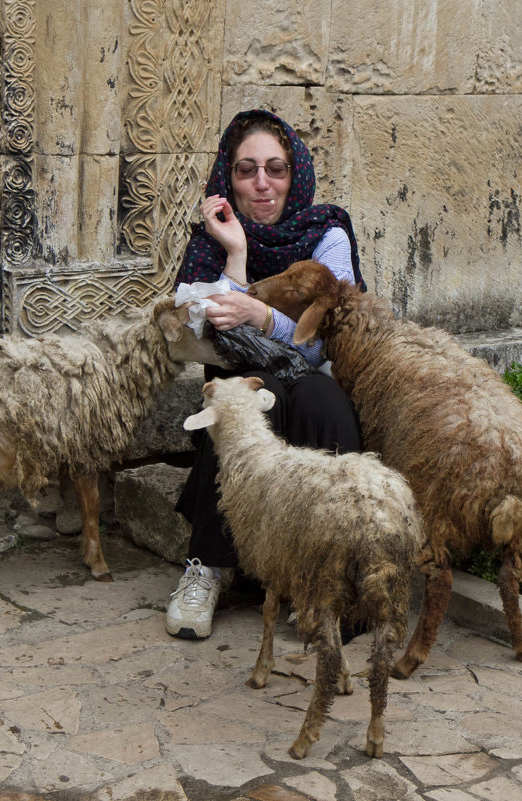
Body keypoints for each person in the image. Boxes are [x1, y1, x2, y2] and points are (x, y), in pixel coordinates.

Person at [166, 108, 366, 639]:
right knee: (244, 400)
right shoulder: (212, 238)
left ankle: (336, 579)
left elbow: (333, 330)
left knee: (326, 403)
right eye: (246, 169)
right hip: (245, 373)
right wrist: (237, 255)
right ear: (226, 177)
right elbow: (207, 339)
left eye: (275, 169)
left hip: (315, 370)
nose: (261, 183)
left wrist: (263, 316)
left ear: (294, 175)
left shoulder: (327, 232)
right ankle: (207, 567)